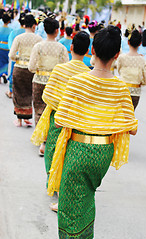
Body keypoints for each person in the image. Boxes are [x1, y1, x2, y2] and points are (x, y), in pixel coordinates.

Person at [47, 26, 138, 239]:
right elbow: (132, 128)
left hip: (78, 149)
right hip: (103, 153)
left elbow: (59, 121)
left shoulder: (78, 82)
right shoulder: (120, 87)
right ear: (117, 55)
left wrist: (84, 117)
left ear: (93, 51)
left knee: (69, 204)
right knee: (87, 196)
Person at [31, 31, 90, 195]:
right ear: (87, 51)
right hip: (77, 121)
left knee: (52, 149)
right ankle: (64, 182)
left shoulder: (59, 69)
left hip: (56, 117)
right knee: (70, 152)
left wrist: (61, 106)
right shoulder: (88, 74)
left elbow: (47, 95)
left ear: (71, 47)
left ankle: (52, 181)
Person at [28, 16, 69, 155]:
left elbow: (31, 67)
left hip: (39, 80)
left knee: (39, 109)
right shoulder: (62, 49)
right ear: (57, 31)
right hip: (55, 83)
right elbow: (65, 68)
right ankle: (48, 140)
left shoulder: (38, 46)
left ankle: (40, 138)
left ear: (44, 30)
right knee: (51, 111)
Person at [9, 14, 42, 127]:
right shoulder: (38, 39)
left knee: (18, 93)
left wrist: (19, 58)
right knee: (29, 93)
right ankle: (28, 117)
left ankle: (19, 120)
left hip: (19, 68)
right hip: (32, 70)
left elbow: (12, 55)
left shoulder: (19, 38)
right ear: (34, 26)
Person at [118, 29, 146, 110]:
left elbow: (119, 71)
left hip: (122, 91)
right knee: (130, 116)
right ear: (140, 44)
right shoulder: (142, 60)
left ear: (128, 42)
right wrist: (139, 82)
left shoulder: (122, 58)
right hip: (135, 93)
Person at [6, 12, 26, 98]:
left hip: (16, 57)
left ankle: (11, 92)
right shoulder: (29, 34)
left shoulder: (14, 33)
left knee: (13, 74)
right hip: (25, 58)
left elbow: (10, 46)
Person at [0, 11, 12, 83]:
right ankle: (4, 73)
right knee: (5, 62)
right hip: (6, 47)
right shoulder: (11, 30)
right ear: (9, 21)